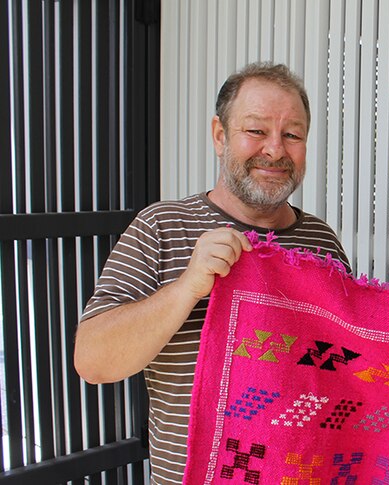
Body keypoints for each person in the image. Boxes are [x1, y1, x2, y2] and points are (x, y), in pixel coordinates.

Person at [74, 62, 350, 485]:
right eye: (256, 131)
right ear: (220, 135)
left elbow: (348, 364)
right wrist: (188, 286)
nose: (275, 150)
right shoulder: (162, 226)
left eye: (292, 134)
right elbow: (93, 361)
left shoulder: (321, 241)